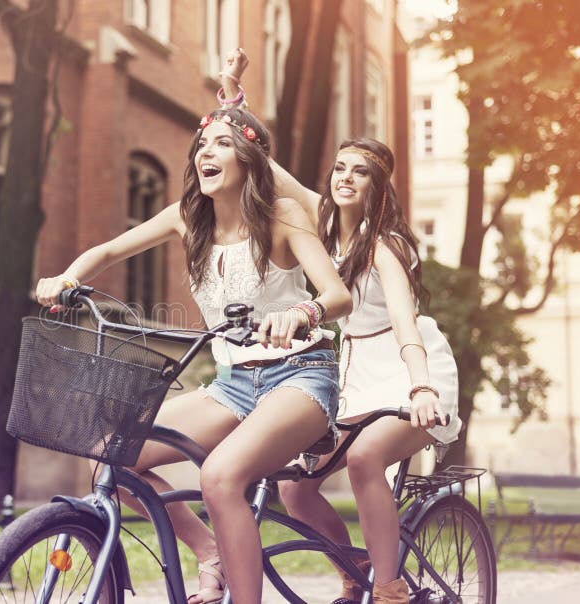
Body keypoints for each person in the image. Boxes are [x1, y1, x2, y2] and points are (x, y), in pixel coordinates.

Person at [36, 107, 353, 603]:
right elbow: (107, 251)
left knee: (221, 477)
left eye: (223, 143)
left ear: (250, 160)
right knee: (108, 460)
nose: (207, 151)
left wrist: (302, 312)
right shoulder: (187, 218)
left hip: (299, 377)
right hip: (231, 385)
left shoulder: (283, 215)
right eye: (203, 143)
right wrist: (67, 278)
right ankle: (210, 553)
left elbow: (338, 296)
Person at [220, 50, 462, 604]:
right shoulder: (322, 224)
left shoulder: (385, 246)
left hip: (409, 373)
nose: (346, 178)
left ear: (379, 187)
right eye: (340, 169)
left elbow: (404, 320)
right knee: (294, 488)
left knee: (363, 458)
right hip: (350, 374)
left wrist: (422, 388)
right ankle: (353, 570)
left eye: (361, 172)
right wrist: (235, 101)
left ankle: (389, 586)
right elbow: (261, 160)